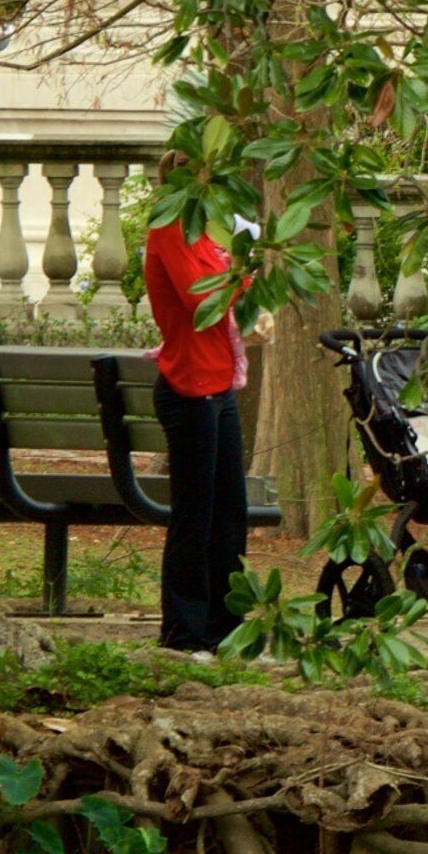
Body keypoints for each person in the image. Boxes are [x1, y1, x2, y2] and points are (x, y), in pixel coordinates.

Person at [144, 193, 252, 654]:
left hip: (219, 386)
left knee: (230, 511)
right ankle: (184, 635)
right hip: (188, 389)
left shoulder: (208, 236)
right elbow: (201, 302)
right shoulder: (170, 231)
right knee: (196, 515)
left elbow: (232, 287)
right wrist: (246, 269)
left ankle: (225, 628)